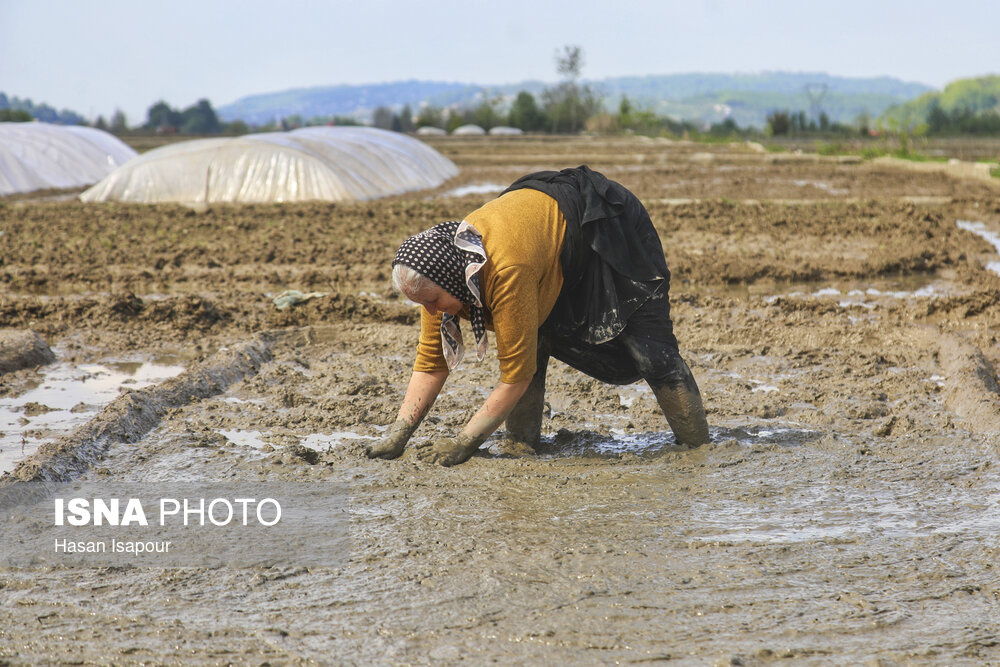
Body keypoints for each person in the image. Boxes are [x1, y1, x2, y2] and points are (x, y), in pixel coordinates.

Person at [366, 165, 709, 466]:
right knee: (534, 336)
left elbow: (515, 377)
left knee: (652, 353)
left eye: (433, 301)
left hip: (606, 227)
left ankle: (698, 448)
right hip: (547, 248)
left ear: (453, 280)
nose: (430, 311)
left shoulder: (505, 272)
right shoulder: (437, 274)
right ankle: (521, 445)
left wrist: (463, 443)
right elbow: (431, 363)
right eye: (422, 304)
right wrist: (398, 434)